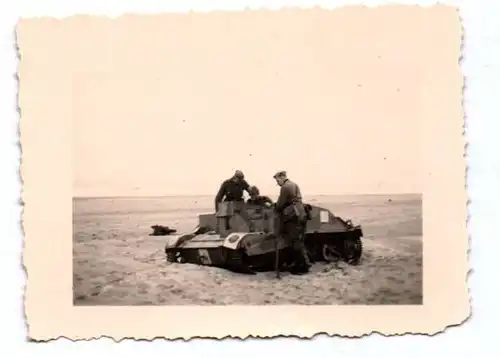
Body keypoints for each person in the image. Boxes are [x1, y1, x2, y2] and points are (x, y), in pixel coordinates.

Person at [273, 170, 310, 274]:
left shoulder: (285, 187)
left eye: (277, 180)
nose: (277, 183)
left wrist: (275, 206)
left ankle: (302, 267)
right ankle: (302, 264)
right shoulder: (294, 184)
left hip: (293, 217)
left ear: (281, 177)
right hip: (300, 214)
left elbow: (280, 204)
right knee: (299, 241)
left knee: (296, 243)